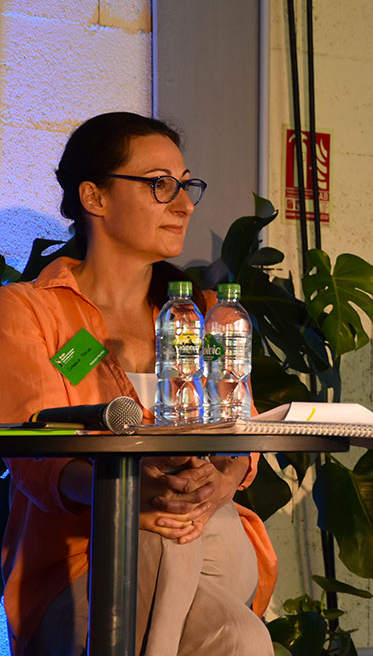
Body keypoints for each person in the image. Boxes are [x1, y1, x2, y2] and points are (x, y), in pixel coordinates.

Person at [0, 113, 276, 656]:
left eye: (187, 185)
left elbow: (240, 432)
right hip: (82, 559)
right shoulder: (29, 311)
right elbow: (34, 454)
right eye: (160, 185)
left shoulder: (205, 313)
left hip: (211, 533)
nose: (184, 204)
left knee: (192, 538)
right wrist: (129, 496)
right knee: (239, 637)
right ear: (94, 197)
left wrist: (219, 482)